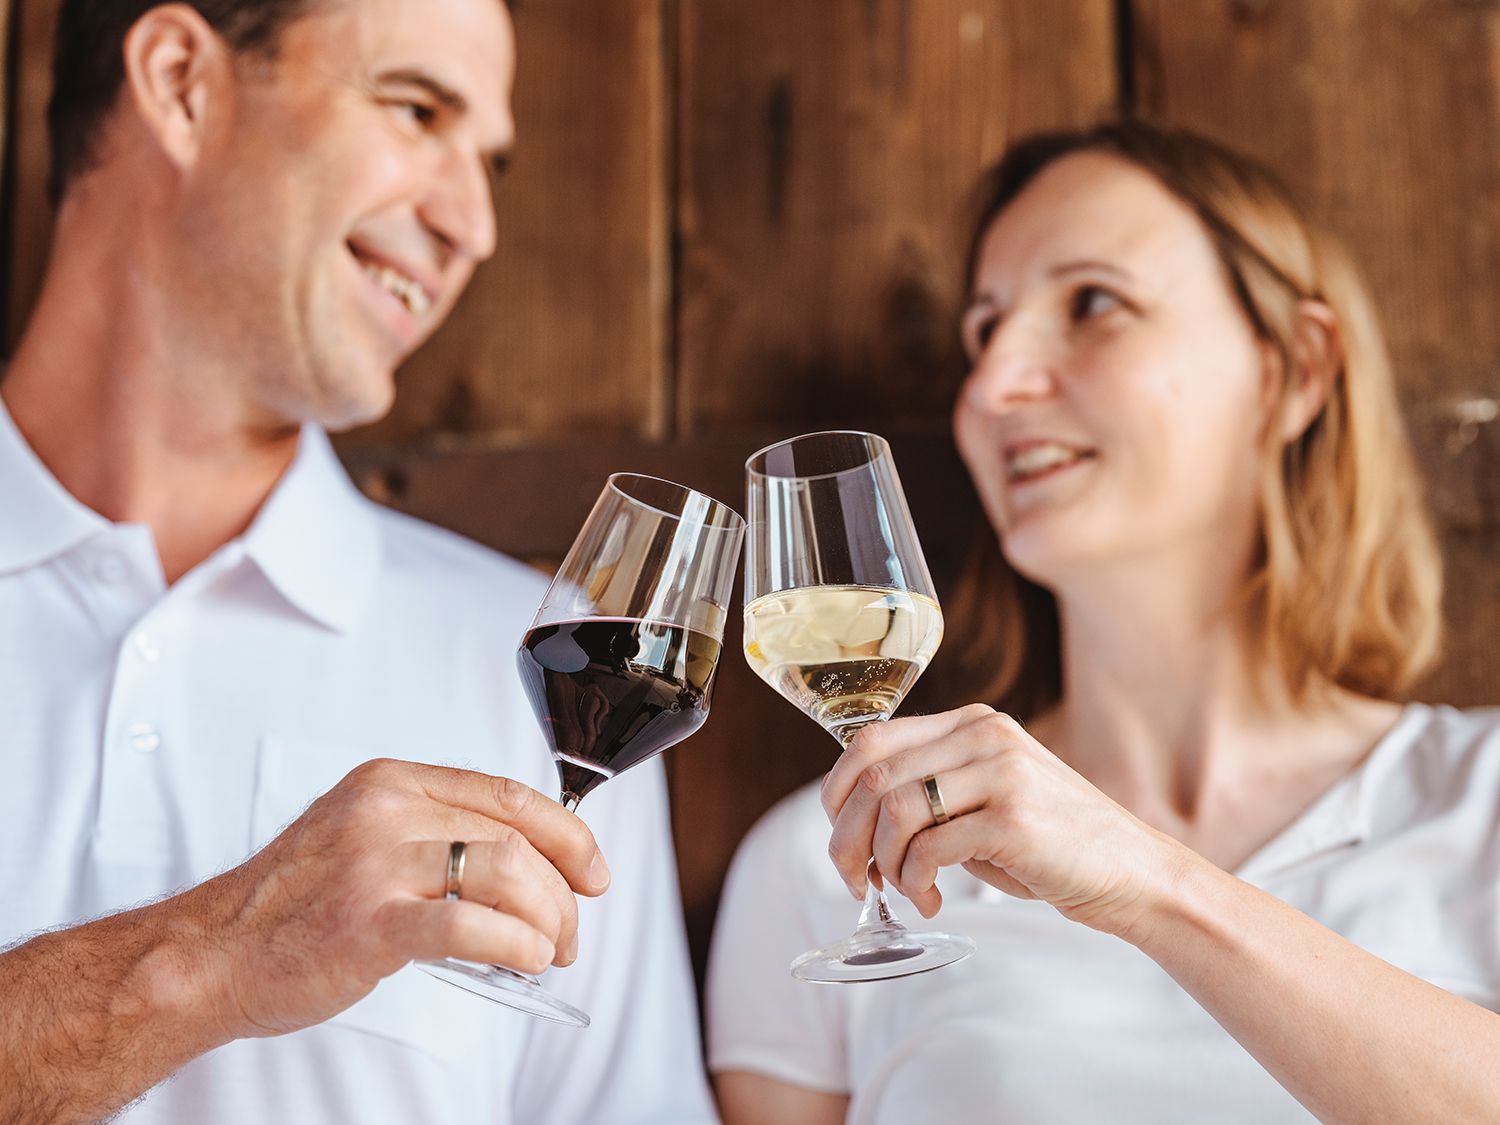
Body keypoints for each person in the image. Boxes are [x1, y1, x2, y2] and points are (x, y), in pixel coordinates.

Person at [0, 2, 715, 1122]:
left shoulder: (543, 671)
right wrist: (211, 957)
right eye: (416, 108)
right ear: (183, 81)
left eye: (489, 162)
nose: (475, 225)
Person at [706, 119, 1500, 1123]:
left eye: (1093, 303)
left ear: (1293, 369)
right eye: (984, 332)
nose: (993, 385)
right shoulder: (829, 857)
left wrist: (1150, 885)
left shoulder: (1482, 801)